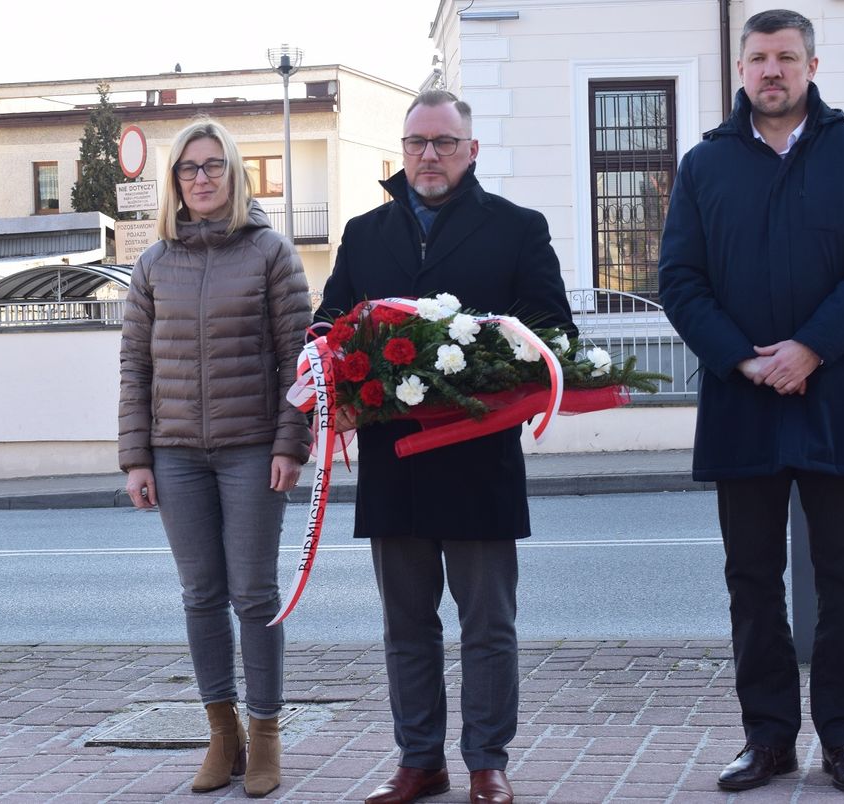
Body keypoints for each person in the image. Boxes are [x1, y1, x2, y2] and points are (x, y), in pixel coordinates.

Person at [657, 8, 844, 795]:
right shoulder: (705, 166)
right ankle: (768, 740)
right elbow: (680, 280)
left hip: (839, 397)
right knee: (753, 582)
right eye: (759, 58)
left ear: (812, 64)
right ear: (741, 69)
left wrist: (809, 350)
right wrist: (743, 359)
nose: (773, 71)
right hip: (743, 403)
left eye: (787, 58)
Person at [317, 89, 575, 804]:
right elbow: (328, 324)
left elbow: (554, 334)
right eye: (417, 144)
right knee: (407, 625)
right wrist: (331, 383)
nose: (429, 156)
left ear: (472, 150)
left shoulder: (518, 229)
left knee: (487, 622)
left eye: (444, 143)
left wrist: (490, 366)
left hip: (479, 459)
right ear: (401, 152)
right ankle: (419, 760)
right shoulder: (366, 234)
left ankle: (487, 760)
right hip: (392, 463)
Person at [118, 118, 311, 798]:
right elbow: (134, 368)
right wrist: (135, 458)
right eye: (188, 168)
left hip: (254, 451)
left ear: (234, 174)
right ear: (174, 181)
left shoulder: (271, 253)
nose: (201, 178)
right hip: (174, 454)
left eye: (213, 166)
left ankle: (265, 735)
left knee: (254, 596)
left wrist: (292, 442)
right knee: (200, 596)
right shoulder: (152, 263)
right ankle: (220, 733)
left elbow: (299, 362)